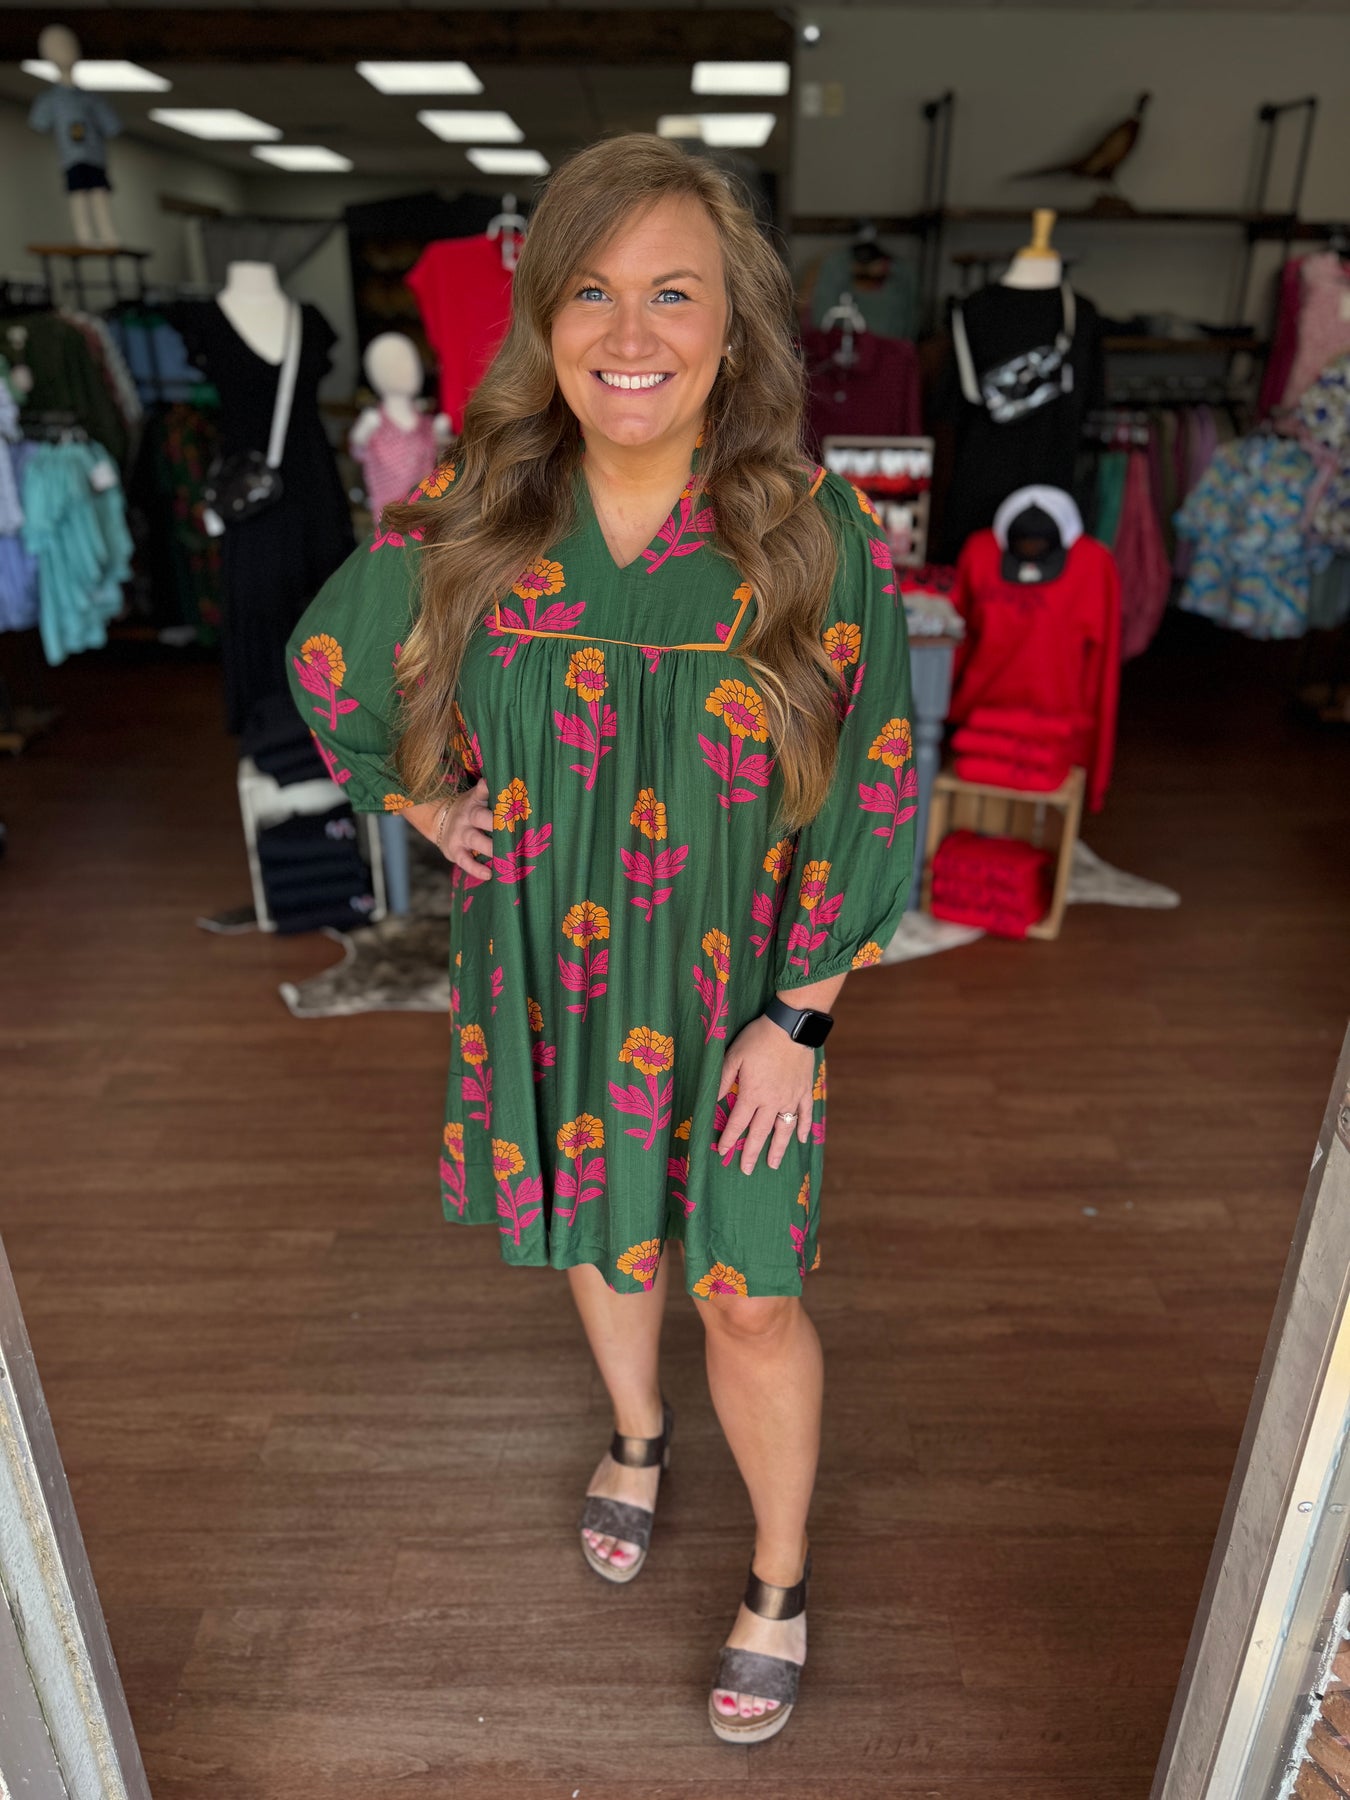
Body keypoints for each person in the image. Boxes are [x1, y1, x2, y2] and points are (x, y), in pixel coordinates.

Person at [286, 133, 915, 1745]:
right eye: (590, 292)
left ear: (734, 322)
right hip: (550, 966)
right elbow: (333, 664)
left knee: (748, 1293)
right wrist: (423, 802)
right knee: (603, 1233)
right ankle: (635, 1432)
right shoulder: (474, 516)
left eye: (671, 294)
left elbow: (875, 780)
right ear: (544, 319)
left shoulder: (811, 531)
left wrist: (802, 1016)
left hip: (749, 996)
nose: (629, 335)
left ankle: (778, 1576)